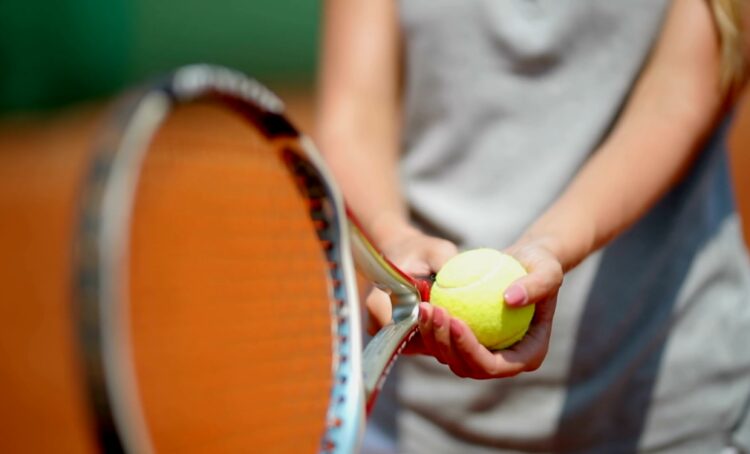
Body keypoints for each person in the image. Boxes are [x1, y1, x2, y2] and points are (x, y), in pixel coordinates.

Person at [316, 0, 750, 452]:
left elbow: (680, 96)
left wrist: (552, 245)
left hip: (671, 407)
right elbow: (353, 113)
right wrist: (393, 239)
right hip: (420, 424)